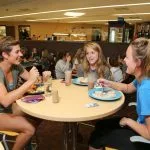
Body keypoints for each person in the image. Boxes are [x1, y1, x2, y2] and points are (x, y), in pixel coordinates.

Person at [89, 38, 150, 150]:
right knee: (100, 125)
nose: (124, 60)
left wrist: (128, 121)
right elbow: (127, 88)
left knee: (96, 138)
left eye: (127, 57)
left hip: (144, 140)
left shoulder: (146, 89)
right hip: (140, 124)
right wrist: (108, 83)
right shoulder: (143, 77)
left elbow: (149, 134)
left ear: (138, 62)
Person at [0, 36, 40, 150]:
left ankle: (25, 142)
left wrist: (37, 77)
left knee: (37, 115)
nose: (21, 54)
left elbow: (32, 79)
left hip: (9, 109)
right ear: (5, 55)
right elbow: (5, 101)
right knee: (29, 129)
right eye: (17, 52)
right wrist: (31, 80)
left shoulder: (16, 66)